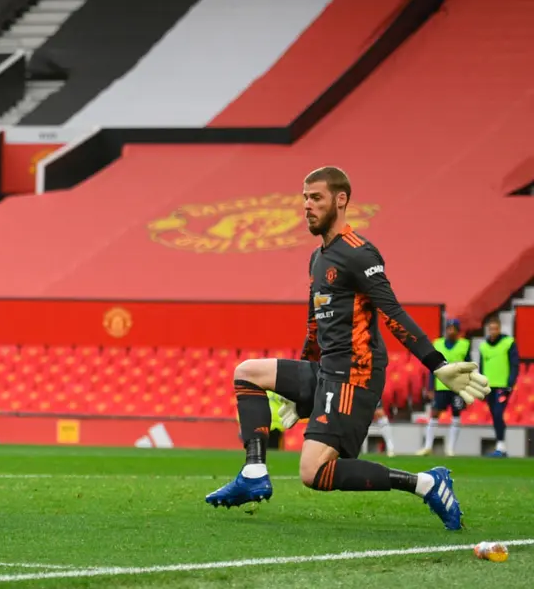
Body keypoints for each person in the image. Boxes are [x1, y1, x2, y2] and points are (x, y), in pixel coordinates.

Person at [205, 166, 489, 531]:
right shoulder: (317, 257)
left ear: (341, 200)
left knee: (313, 472)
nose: (307, 205)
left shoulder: (360, 254)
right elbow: (314, 326)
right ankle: (254, 471)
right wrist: (299, 388)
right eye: (304, 198)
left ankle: (426, 483)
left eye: (316, 198)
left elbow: (393, 311)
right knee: (246, 372)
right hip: (326, 369)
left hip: (355, 373)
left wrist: (436, 364)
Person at [417, 318, 471, 456]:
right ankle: (428, 446)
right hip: (441, 385)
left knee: (456, 415)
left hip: (457, 386)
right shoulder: (438, 343)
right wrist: (430, 387)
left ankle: (450, 449)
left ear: (458, 331)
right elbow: (432, 366)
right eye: (448, 328)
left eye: (453, 329)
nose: (450, 331)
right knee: (434, 414)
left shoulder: (464, 345)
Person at [479, 316, 518, 457]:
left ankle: (501, 445)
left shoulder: (508, 343)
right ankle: (501, 447)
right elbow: (482, 368)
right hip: (489, 386)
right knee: (494, 415)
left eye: (495, 329)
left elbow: (514, 365)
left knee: (497, 413)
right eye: (490, 329)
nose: (493, 331)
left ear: (500, 329)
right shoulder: (483, 346)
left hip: (503, 386)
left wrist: (510, 384)